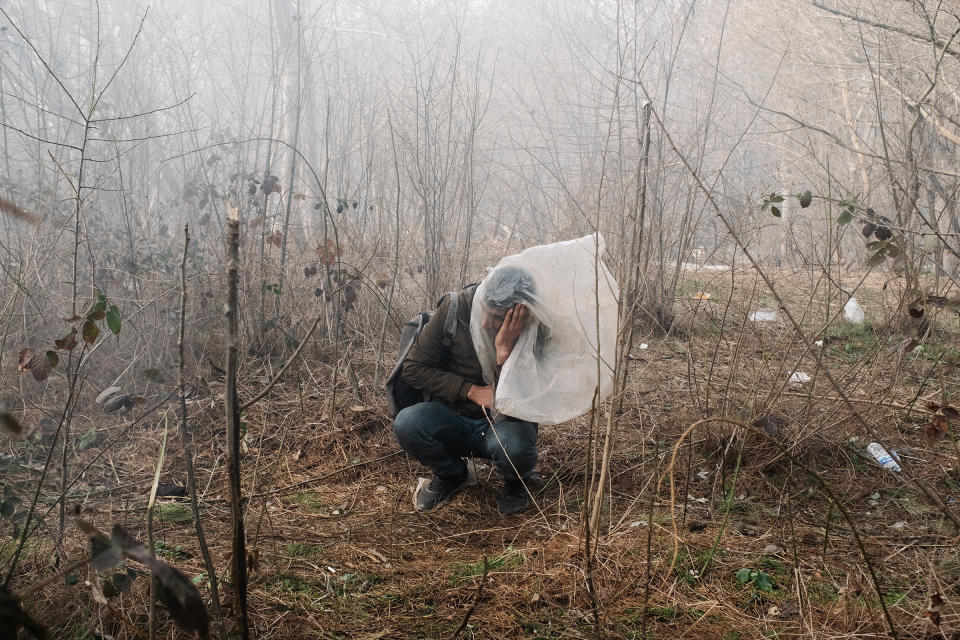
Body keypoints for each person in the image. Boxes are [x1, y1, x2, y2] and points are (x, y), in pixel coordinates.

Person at [392, 267, 539, 515]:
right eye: (486, 311)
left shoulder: (533, 328)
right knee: (408, 423)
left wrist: (504, 353)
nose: (485, 323)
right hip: (454, 416)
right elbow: (413, 368)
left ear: (518, 313)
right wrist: (469, 390)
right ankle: (452, 474)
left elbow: (530, 399)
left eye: (497, 317)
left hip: (503, 424)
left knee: (514, 445)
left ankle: (516, 483)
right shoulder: (456, 308)